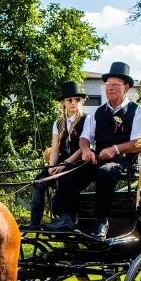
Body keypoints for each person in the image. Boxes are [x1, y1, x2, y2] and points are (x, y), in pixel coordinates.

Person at [42, 61, 141, 239]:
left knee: (104, 173)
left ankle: (102, 221)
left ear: (126, 87)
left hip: (124, 161)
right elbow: (85, 138)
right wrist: (86, 151)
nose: (110, 88)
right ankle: (68, 217)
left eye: (115, 84)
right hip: (98, 158)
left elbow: (140, 142)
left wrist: (115, 149)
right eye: (107, 84)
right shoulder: (98, 113)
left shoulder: (138, 111)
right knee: (69, 172)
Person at [21, 81, 88, 230]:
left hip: (78, 163)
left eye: (77, 99)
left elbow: (83, 148)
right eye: (69, 99)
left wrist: (64, 165)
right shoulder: (58, 123)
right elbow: (55, 148)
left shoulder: (86, 120)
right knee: (39, 182)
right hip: (60, 162)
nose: (73, 103)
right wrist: (51, 166)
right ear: (63, 102)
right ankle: (34, 222)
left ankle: (67, 218)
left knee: (65, 177)